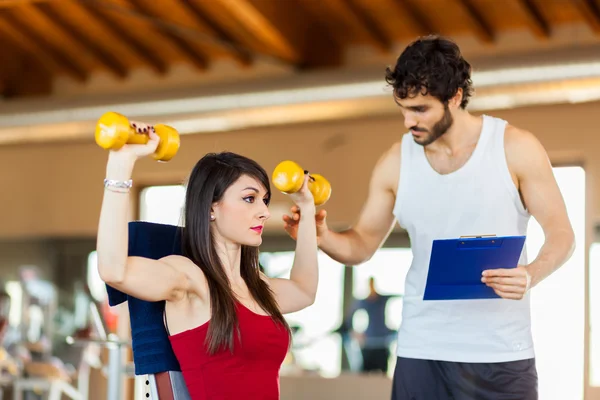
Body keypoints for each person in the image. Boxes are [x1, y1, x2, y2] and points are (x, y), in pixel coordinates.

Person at [283, 35, 575, 400]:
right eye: (402, 108)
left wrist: (531, 273)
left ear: (454, 96)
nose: (408, 121)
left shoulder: (515, 148)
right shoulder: (395, 162)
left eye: (420, 109)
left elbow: (563, 235)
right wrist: (322, 236)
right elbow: (361, 245)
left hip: (500, 354)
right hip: (421, 351)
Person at [96, 126, 319, 399]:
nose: (263, 211)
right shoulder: (190, 279)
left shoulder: (256, 285)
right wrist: (120, 164)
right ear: (211, 208)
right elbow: (113, 270)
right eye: (249, 199)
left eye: (265, 200)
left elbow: (304, 290)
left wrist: (307, 210)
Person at [344, 277, 397, 374]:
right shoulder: (363, 302)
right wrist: (354, 332)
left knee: (383, 373)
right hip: (368, 343)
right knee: (365, 374)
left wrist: (393, 331)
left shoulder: (383, 299)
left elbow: (401, 297)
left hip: (382, 342)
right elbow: (349, 319)